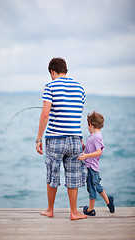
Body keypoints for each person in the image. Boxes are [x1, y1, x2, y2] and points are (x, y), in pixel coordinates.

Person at [36, 57, 87, 220]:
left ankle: (50, 210)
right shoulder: (80, 88)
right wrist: (80, 138)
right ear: (66, 71)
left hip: (55, 138)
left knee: (53, 173)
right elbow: (77, 114)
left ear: (52, 71)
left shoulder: (50, 86)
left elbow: (45, 113)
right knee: (73, 174)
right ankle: (73, 212)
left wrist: (38, 139)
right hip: (75, 138)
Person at [78, 111, 115, 216]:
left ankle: (91, 209)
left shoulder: (96, 137)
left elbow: (99, 152)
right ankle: (108, 201)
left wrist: (85, 156)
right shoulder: (94, 136)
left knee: (91, 188)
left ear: (90, 124)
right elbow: (90, 150)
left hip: (91, 168)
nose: (87, 128)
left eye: (87, 125)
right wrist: (83, 146)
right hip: (92, 167)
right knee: (97, 185)